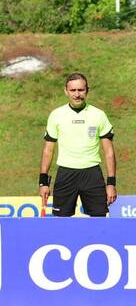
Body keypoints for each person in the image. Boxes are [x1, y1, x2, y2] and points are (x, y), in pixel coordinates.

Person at [39, 73, 116, 217]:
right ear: (66, 91)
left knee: (99, 222)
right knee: (61, 223)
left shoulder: (98, 115)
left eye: (81, 90)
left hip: (92, 174)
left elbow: (109, 152)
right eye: (73, 90)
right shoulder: (56, 115)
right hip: (66, 174)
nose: (77, 94)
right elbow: (48, 151)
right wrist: (43, 183)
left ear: (87, 90)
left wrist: (111, 183)